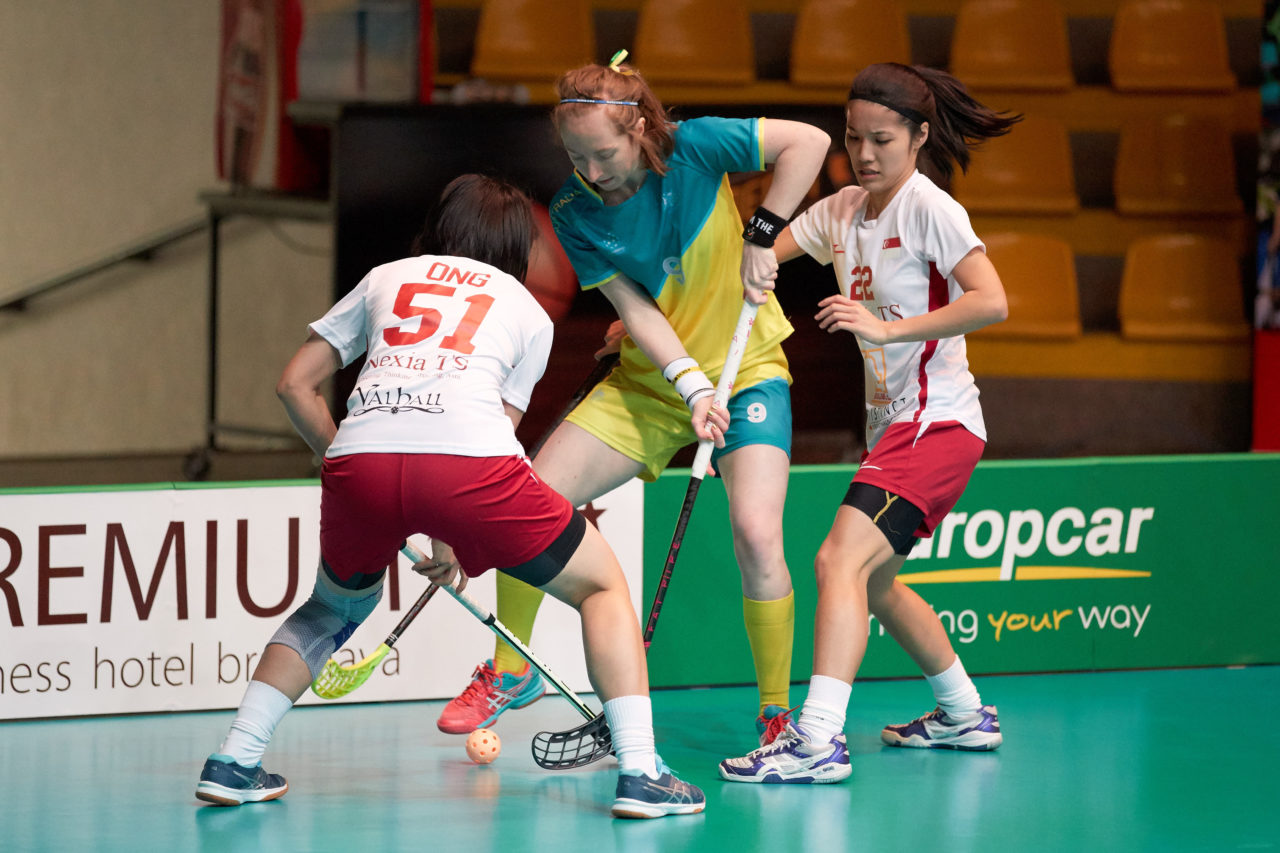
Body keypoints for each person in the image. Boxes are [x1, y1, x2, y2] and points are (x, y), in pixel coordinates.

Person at [194, 174, 705, 819]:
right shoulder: (527, 310)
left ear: (440, 227)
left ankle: (233, 760)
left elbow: (295, 385)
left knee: (327, 611)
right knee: (600, 587)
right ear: (519, 248)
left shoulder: (386, 276)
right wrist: (453, 537)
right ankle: (640, 773)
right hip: (471, 471)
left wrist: (345, 462)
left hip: (361, 458)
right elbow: (488, 432)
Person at [436, 52, 831, 747]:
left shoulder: (698, 147)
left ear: (640, 129)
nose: (592, 173)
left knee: (758, 534)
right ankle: (511, 668)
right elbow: (635, 309)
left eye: (604, 154)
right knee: (528, 498)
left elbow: (812, 142)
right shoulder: (574, 211)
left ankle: (777, 714)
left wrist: (764, 230)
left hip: (747, 373)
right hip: (653, 385)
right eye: (575, 157)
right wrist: (690, 385)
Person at [719, 62, 1017, 784]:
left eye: (883, 138)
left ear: (918, 136)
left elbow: (992, 300)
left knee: (835, 561)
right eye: (854, 138)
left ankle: (816, 739)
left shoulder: (929, 208)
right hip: (897, 429)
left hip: (936, 421)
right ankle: (964, 712)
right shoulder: (844, 210)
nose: (867, 153)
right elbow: (752, 258)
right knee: (876, 582)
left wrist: (889, 331)